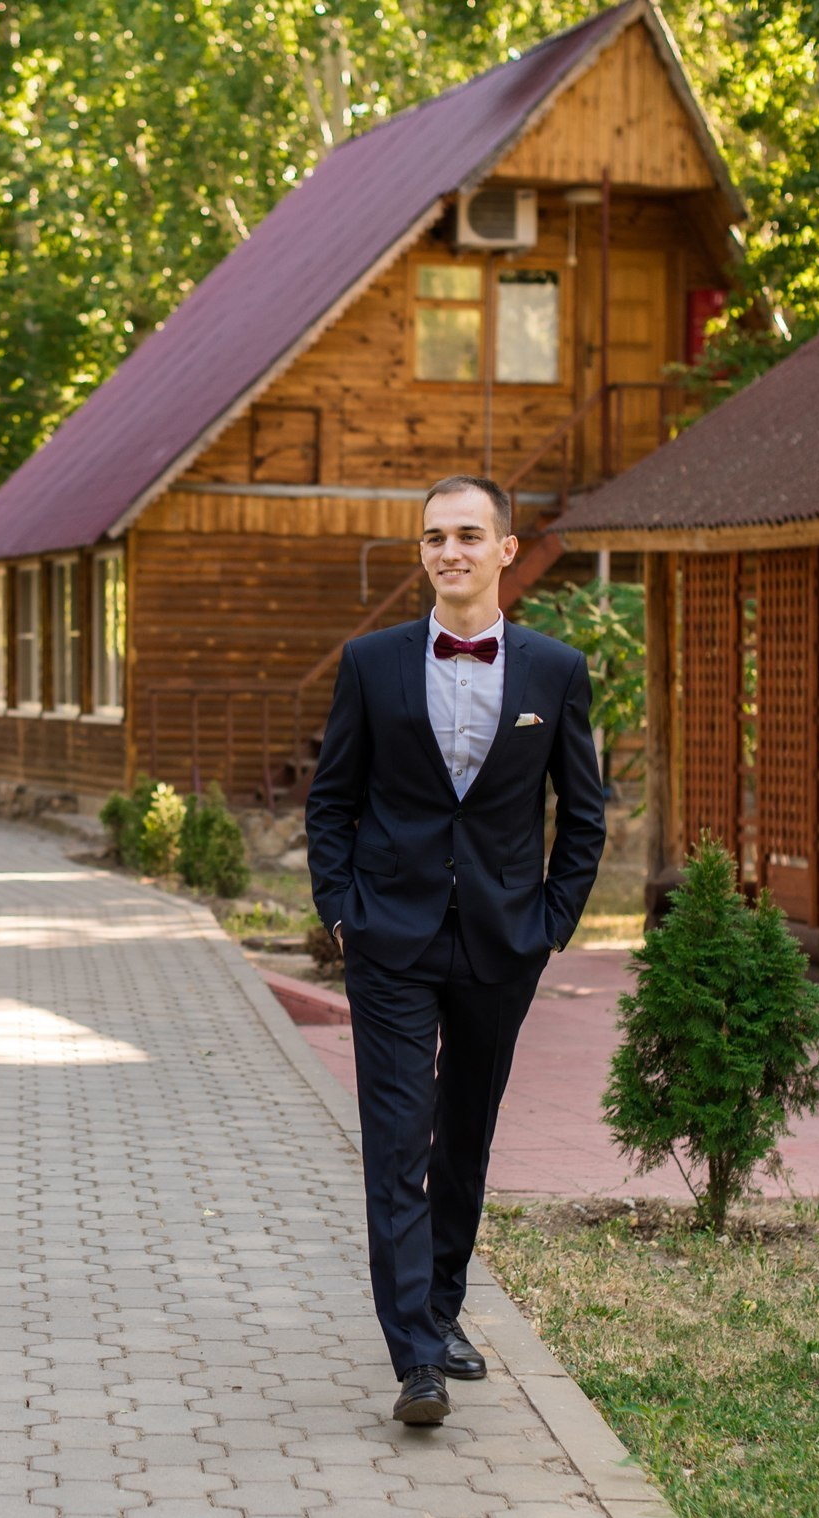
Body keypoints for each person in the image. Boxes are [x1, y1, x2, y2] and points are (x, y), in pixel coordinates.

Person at [305, 473, 608, 1428]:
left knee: (465, 1140)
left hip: (499, 945)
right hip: (389, 941)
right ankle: (417, 1359)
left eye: (469, 535)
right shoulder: (371, 661)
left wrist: (549, 924)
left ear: (507, 550)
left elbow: (585, 815)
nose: (450, 552)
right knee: (398, 1145)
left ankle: (442, 1304)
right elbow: (332, 801)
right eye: (435, 537)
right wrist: (341, 912)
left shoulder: (556, 671)